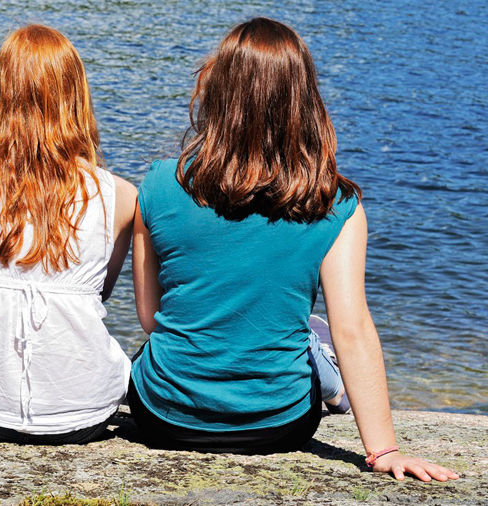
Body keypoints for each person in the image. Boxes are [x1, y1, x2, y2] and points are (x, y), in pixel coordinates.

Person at [130, 18, 459, 481]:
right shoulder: (335, 203)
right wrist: (383, 450)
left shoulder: (160, 184)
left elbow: (151, 318)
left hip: (165, 417)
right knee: (315, 334)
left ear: (218, 90)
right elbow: (352, 330)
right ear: (303, 100)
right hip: (278, 424)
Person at [0, 25, 136, 444]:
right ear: (76, 97)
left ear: (0, 93)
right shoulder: (121, 196)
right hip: (85, 412)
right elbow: (99, 295)